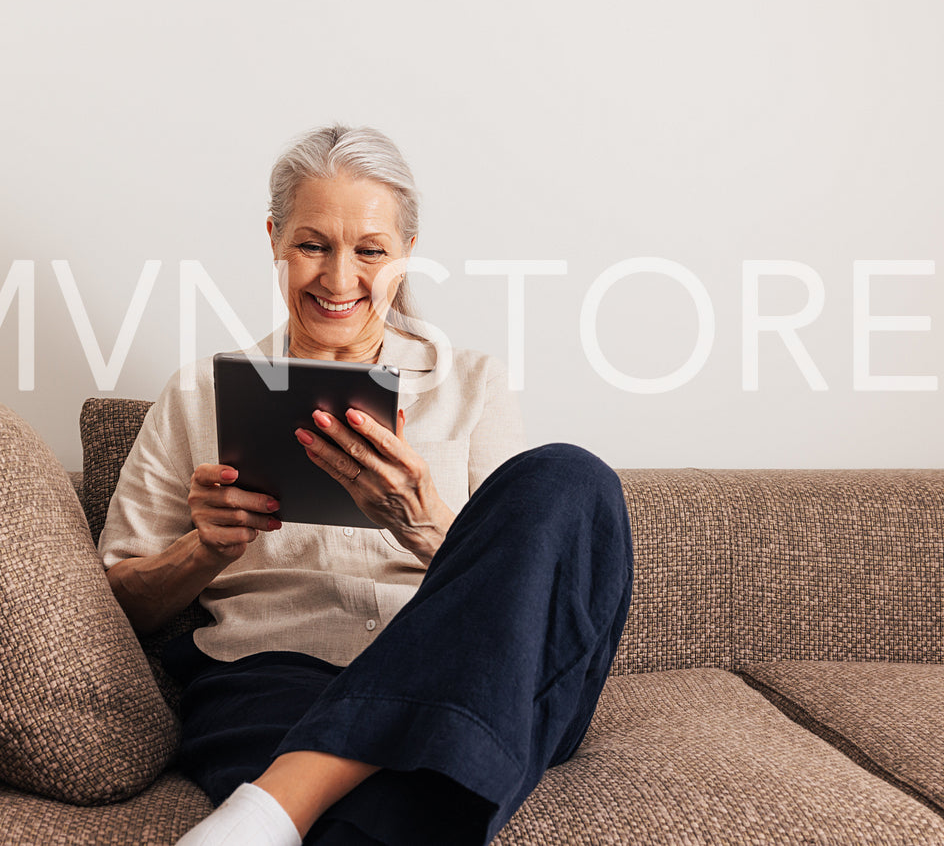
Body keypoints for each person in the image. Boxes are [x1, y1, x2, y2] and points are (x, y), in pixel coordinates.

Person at [97, 124, 633, 846]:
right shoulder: (199, 393)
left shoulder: (471, 383)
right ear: (274, 239)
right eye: (313, 244)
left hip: (467, 679)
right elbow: (120, 602)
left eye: (370, 251)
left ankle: (274, 806)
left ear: (407, 253)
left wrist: (422, 520)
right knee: (389, 808)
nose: (339, 279)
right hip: (275, 674)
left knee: (571, 477)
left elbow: (534, 586)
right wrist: (206, 549)